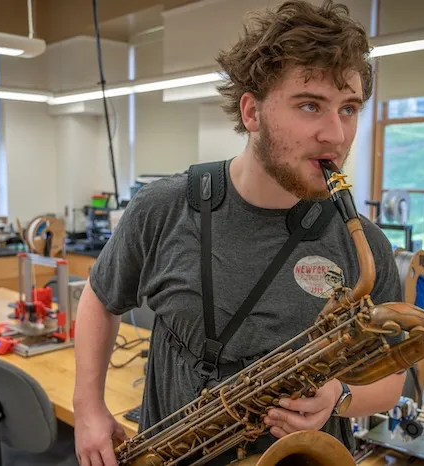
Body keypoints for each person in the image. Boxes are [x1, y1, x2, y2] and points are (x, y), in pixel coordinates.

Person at [73, 1, 406, 465]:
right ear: (252, 112)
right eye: (310, 105)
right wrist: (87, 407)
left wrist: (339, 395)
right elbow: (99, 298)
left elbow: (391, 380)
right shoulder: (163, 208)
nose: (336, 134)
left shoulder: (364, 245)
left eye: (349, 109)